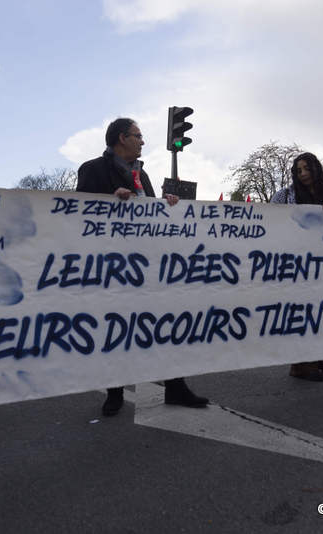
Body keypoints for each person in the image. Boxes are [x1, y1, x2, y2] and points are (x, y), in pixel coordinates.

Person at [77, 117, 208, 416]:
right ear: (122, 138)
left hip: (148, 265)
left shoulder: (141, 173)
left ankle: (176, 387)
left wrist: (166, 204)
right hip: (115, 268)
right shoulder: (93, 169)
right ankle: (115, 392)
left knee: (165, 325)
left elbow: (148, 211)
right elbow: (81, 215)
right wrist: (110, 200)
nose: (142, 141)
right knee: (118, 329)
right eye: (138, 135)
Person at [271, 152, 323, 381]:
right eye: (298, 170)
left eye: (306, 169)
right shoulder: (284, 196)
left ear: (316, 169)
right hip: (297, 264)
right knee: (303, 313)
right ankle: (301, 363)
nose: (302, 174)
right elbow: (271, 223)